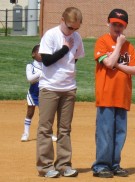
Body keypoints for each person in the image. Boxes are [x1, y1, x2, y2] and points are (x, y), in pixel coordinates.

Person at [36, 7, 85, 178]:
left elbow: (75, 59)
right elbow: (47, 61)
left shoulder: (77, 38)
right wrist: (64, 48)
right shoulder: (51, 35)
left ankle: (64, 165)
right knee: (45, 128)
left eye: (76, 28)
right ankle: (45, 166)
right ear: (62, 20)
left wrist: (67, 73)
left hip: (68, 88)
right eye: (70, 27)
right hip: (49, 88)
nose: (73, 31)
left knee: (64, 129)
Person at [91, 9, 135, 178]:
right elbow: (108, 62)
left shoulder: (130, 47)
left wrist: (117, 64)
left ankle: (114, 164)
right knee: (105, 132)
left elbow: (134, 70)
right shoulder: (102, 42)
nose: (117, 27)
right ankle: (101, 165)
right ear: (108, 24)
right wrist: (118, 45)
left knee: (120, 133)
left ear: (125, 26)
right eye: (114, 24)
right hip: (106, 95)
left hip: (123, 96)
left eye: (121, 25)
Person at [21, 44, 57, 142]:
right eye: (39, 52)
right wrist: (41, 73)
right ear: (33, 54)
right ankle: (26, 133)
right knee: (30, 112)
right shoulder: (30, 66)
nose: (42, 54)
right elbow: (30, 79)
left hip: (44, 93)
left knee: (45, 115)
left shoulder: (47, 66)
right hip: (33, 93)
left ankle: (48, 133)